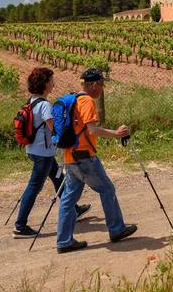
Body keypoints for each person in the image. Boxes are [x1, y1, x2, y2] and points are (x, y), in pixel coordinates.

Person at [56, 67, 137, 253]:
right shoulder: (87, 102)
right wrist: (117, 134)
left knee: (68, 199)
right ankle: (116, 230)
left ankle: (63, 241)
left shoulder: (72, 100)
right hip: (85, 157)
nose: (101, 88)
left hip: (69, 156)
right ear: (92, 84)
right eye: (100, 84)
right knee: (107, 189)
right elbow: (92, 130)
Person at [14, 67, 89, 238]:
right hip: (44, 154)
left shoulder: (31, 101)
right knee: (34, 187)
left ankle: (74, 210)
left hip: (34, 150)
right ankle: (20, 226)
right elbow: (55, 129)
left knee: (58, 179)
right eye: (52, 80)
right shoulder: (45, 106)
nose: (54, 83)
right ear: (45, 84)